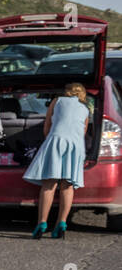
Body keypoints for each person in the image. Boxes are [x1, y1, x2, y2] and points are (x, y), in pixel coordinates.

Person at [23, 82, 90, 239]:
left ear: (67, 92)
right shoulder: (86, 110)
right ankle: (62, 223)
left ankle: (42, 223)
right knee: (67, 186)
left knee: (49, 184)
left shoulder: (57, 101)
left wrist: (49, 143)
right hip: (76, 146)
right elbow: (83, 132)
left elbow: (47, 126)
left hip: (56, 140)